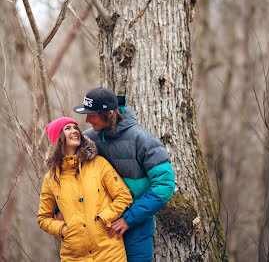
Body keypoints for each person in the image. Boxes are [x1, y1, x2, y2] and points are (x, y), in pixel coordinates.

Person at [72, 87, 175, 262]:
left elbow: (165, 184)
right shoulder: (87, 139)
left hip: (135, 225)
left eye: (92, 114)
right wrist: (60, 210)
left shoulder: (142, 140)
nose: (87, 120)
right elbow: (67, 172)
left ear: (109, 113)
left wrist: (129, 219)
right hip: (98, 225)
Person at [37, 116, 132, 262]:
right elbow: (43, 218)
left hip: (109, 252)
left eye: (76, 128)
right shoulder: (51, 178)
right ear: (58, 138)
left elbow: (124, 196)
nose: (74, 131)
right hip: (74, 256)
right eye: (67, 129)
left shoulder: (99, 164)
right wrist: (63, 229)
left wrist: (103, 218)